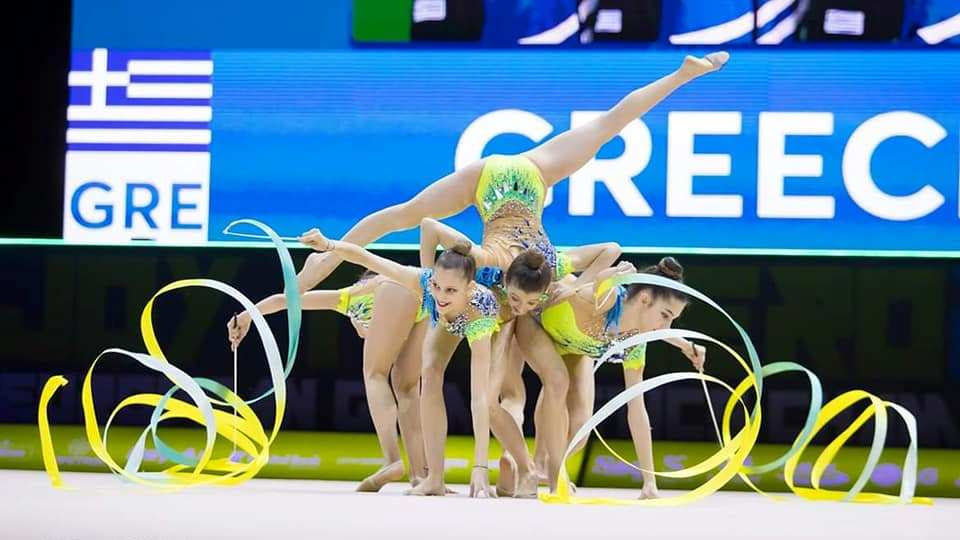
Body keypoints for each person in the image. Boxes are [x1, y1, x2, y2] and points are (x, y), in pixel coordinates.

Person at [300, 228, 500, 497]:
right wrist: (328, 244)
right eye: (437, 286)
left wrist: (480, 466)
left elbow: (478, 397)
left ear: (469, 287)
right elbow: (367, 258)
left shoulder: (481, 309)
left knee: (487, 395)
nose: (441, 295)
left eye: (450, 289)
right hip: (444, 320)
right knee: (428, 376)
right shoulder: (424, 282)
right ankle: (433, 478)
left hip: (483, 315)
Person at [520, 257, 706, 499]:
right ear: (644, 299)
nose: (666, 326)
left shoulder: (636, 343)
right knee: (556, 382)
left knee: (580, 430)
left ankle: (548, 465)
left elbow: (637, 409)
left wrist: (650, 482)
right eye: (665, 315)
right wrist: (614, 272)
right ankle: (541, 467)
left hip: (575, 347)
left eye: (672, 319)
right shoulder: (608, 299)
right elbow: (590, 281)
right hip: (536, 321)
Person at [228, 271, 429, 492]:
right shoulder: (372, 306)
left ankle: (392, 460)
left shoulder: (350, 296)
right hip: (424, 296)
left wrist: (246, 316)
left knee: (375, 374)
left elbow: (285, 300)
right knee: (409, 387)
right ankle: (420, 475)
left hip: (398, 284)